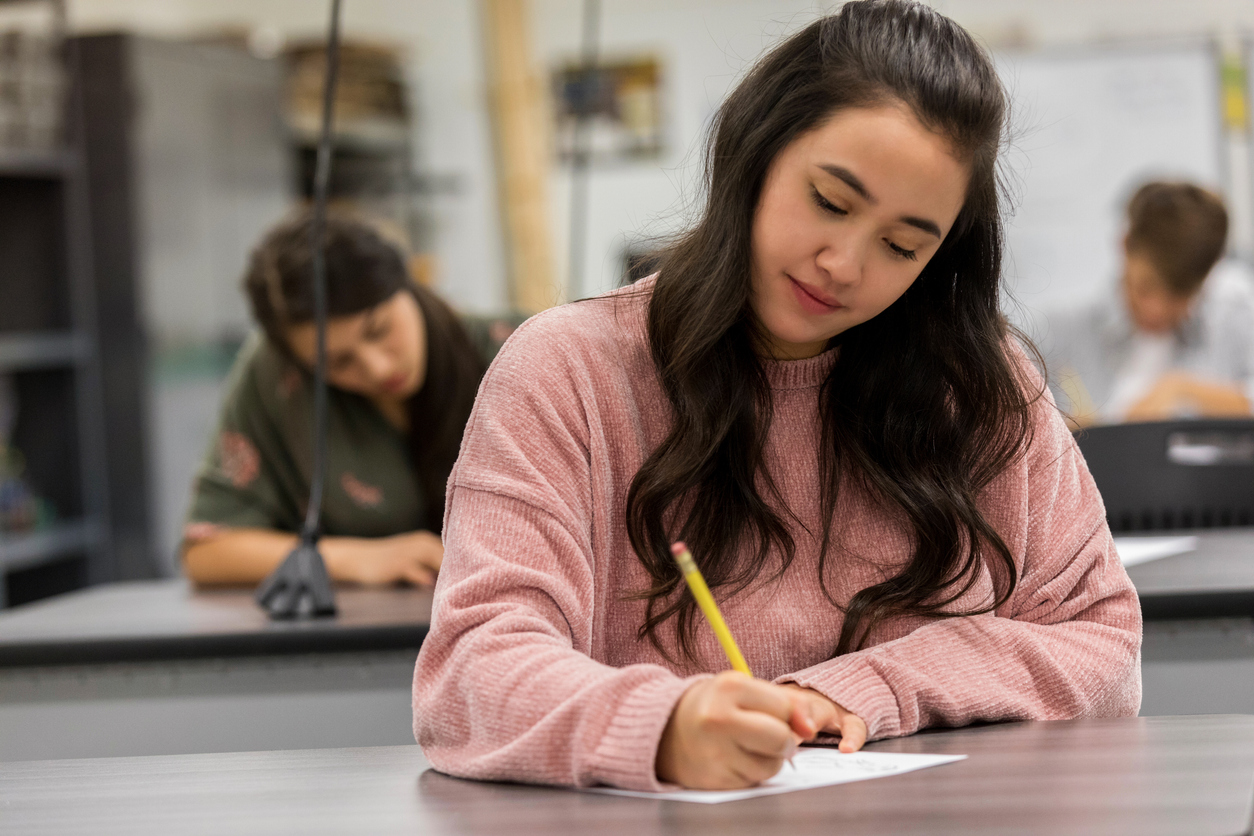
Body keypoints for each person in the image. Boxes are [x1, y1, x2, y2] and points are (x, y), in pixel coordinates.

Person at [412, 0, 1141, 793]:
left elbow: (1102, 646)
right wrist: (662, 727)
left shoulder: (980, 389)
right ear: (757, 151)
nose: (844, 264)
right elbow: (470, 674)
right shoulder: (570, 372)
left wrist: (870, 687)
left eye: (903, 245)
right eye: (830, 201)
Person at [182, 211, 516, 587]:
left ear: (408, 282)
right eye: (337, 362)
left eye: (380, 329)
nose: (375, 368)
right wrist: (356, 559)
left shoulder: (520, 351)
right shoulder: (279, 377)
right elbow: (206, 550)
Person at [1045, 181, 1254, 425]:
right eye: (1145, 288)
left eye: (1178, 298)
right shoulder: (1058, 331)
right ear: (1124, 245)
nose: (1156, 309)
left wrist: (1182, 389)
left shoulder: (1231, 317)